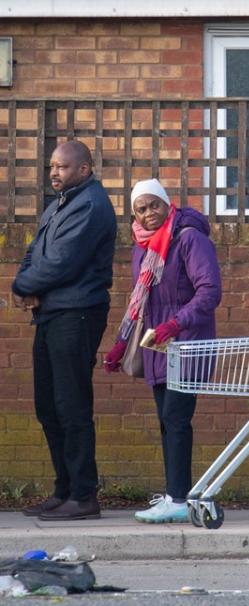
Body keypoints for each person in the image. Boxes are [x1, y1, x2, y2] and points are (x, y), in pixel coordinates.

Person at [102, 179, 222, 523]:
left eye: (153, 204)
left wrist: (176, 324)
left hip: (186, 344)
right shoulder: (142, 247)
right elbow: (139, 301)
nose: (148, 213)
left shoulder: (189, 238)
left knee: (176, 420)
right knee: (167, 423)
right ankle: (173, 495)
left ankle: (180, 498)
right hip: (157, 349)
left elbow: (209, 291)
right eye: (140, 208)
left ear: (167, 204)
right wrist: (122, 343)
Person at [12, 140, 117, 521]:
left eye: (62, 167)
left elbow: (62, 263)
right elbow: (34, 252)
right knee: (48, 406)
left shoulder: (89, 205)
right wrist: (25, 282)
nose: (54, 172)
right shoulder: (61, 204)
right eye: (52, 166)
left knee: (72, 406)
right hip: (53, 313)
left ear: (84, 169)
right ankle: (65, 489)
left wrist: (23, 288)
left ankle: (84, 495)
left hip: (77, 313)